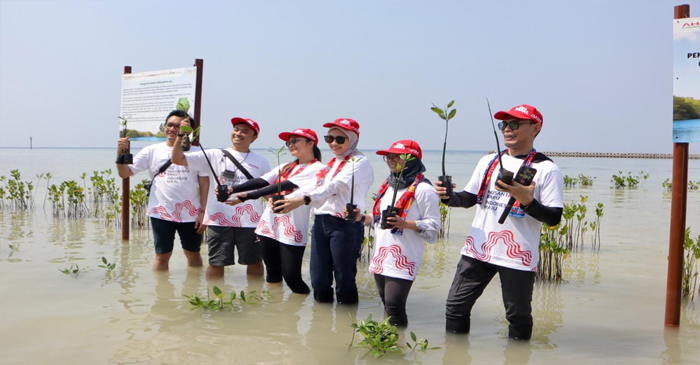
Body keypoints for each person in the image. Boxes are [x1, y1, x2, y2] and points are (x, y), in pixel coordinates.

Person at [440, 104, 563, 340]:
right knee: (455, 307)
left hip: (517, 255)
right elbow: (470, 197)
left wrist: (527, 201)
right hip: (478, 248)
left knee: (517, 317)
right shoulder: (488, 160)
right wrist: (448, 197)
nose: (507, 129)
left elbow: (554, 218)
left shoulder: (546, 168)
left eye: (515, 124)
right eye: (504, 124)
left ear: (535, 128)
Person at [275, 118, 373, 304]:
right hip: (321, 223)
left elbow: (336, 186)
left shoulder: (359, 162)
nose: (334, 143)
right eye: (329, 139)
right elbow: (315, 185)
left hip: (346, 226)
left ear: (352, 139)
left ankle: (346, 325)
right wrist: (287, 199)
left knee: (344, 280)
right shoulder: (332, 164)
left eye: (340, 139)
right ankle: (321, 326)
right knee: (318, 280)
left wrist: (302, 200)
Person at [223, 128, 324, 294]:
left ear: (311, 143)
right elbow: (262, 181)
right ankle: (274, 310)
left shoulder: (319, 168)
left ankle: (303, 311)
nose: (290, 145)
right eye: (288, 142)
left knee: (292, 278)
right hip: (269, 223)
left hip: (293, 227)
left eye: (295, 141)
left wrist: (246, 196)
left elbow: (282, 186)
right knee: (272, 273)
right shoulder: (286, 166)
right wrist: (232, 189)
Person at [352, 140, 441, 326]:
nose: (390, 160)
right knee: (386, 304)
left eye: (396, 156)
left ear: (412, 159)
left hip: (403, 257)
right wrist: (361, 217)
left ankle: (399, 351)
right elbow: (378, 220)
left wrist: (404, 223)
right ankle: (390, 344)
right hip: (381, 255)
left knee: (394, 306)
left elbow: (434, 225)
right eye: (388, 156)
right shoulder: (388, 186)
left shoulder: (424, 190)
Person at [171, 117, 271, 280]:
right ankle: (216, 300)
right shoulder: (214, 154)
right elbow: (177, 159)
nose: (239, 133)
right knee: (216, 262)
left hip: (250, 221)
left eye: (245, 131)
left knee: (254, 261)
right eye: (236, 129)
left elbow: (266, 189)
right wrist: (181, 135)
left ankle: (255, 298)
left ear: (254, 137)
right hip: (219, 220)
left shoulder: (262, 161)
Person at [116, 110, 209, 271]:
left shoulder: (198, 153)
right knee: (162, 255)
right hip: (161, 212)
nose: (173, 129)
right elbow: (125, 173)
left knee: (192, 253)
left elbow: (205, 184)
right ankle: (161, 294)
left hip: (191, 214)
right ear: (164, 127)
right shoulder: (151, 150)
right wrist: (120, 154)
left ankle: (194, 289)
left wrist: (203, 212)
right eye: (170, 125)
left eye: (179, 126)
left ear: (189, 130)